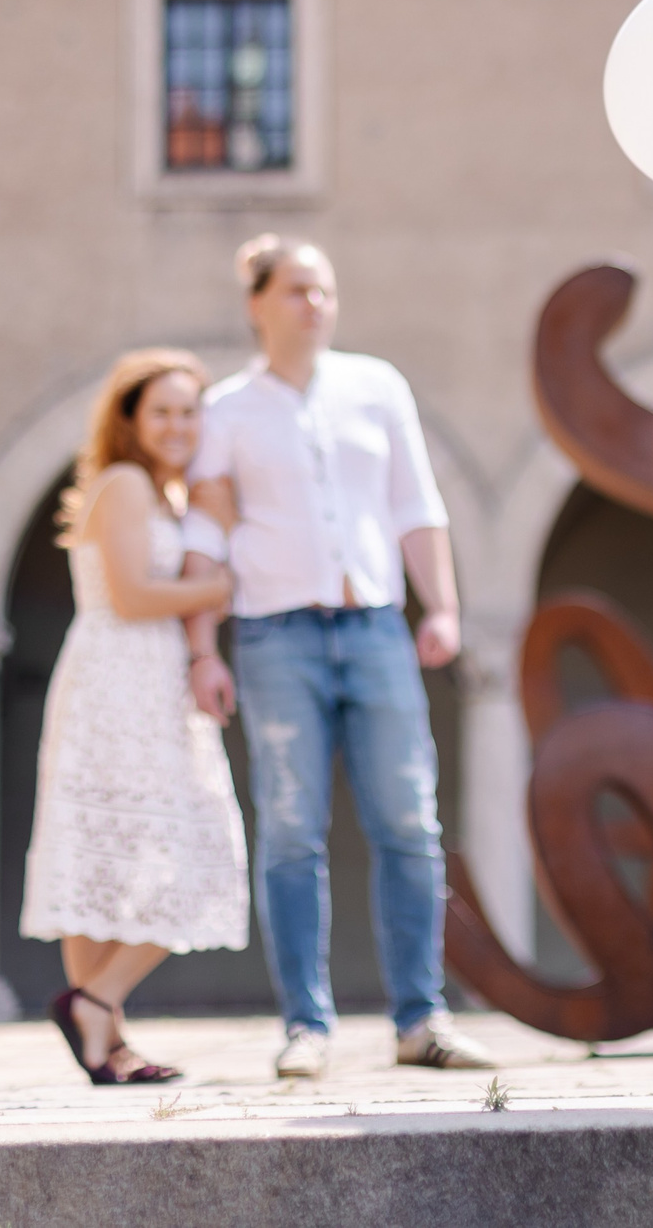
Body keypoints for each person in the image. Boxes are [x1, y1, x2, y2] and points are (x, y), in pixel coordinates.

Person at [184, 235, 495, 1077]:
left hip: (376, 628)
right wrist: (202, 651)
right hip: (275, 635)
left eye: (324, 290)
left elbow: (414, 503)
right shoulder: (226, 410)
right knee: (291, 830)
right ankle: (306, 1026)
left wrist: (445, 607)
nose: (314, 304)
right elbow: (207, 533)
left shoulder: (377, 386)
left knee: (409, 823)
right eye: (295, 290)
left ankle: (420, 1019)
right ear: (257, 303)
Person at [20, 349, 249, 1085]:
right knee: (166, 851)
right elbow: (131, 597)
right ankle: (97, 1003)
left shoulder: (167, 496)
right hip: (116, 684)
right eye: (162, 411)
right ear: (130, 420)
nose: (178, 425)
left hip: (151, 683)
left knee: (120, 856)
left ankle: (101, 1034)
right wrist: (220, 583)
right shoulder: (121, 484)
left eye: (190, 411)